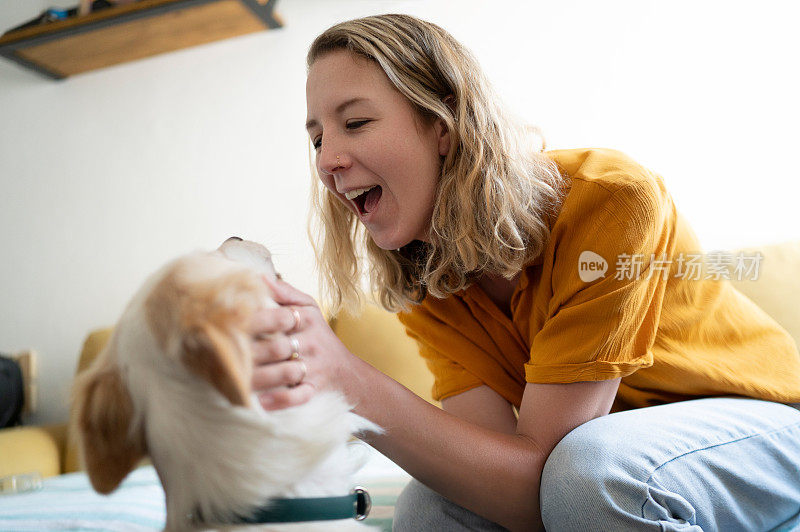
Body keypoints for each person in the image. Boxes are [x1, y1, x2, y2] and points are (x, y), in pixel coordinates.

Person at [247, 13, 800, 532]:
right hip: (618, 447)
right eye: (318, 138)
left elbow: (549, 472)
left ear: (442, 124)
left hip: (765, 423)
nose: (326, 160)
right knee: (428, 508)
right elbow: (509, 486)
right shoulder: (426, 278)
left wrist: (346, 380)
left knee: (592, 474)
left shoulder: (611, 201)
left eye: (356, 123)